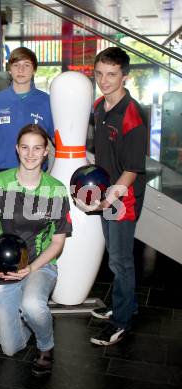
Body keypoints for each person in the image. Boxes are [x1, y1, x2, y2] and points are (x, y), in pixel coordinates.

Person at [0, 124, 72, 376]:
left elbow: (57, 242)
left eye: (37, 148)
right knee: (10, 348)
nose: (31, 154)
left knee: (32, 304)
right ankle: (31, 322)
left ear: (45, 152)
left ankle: (46, 345)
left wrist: (30, 268)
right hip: (5, 265)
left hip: (40, 264)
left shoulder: (56, 190)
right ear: (17, 149)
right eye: (25, 147)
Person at [89, 47, 147, 346]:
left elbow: (133, 170)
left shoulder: (132, 115)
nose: (104, 80)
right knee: (115, 256)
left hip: (123, 198)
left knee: (121, 262)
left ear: (125, 75)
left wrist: (107, 200)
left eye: (111, 74)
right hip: (107, 194)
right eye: (99, 73)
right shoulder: (99, 106)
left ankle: (121, 321)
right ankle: (127, 304)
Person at [0, 47, 54, 181]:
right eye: (16, 65)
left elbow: (57, 139)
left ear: (34, 70)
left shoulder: (47, 101)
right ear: (9, 69)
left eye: (26, 65)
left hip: (33, 171)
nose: (21, 70)